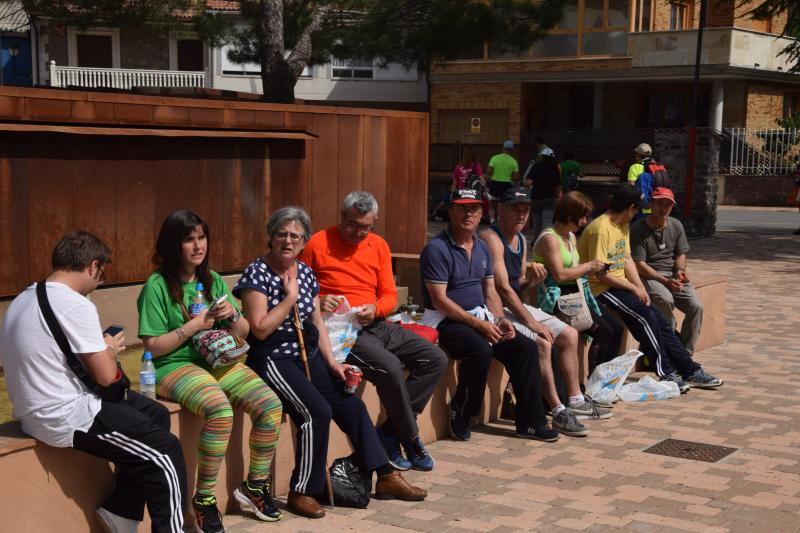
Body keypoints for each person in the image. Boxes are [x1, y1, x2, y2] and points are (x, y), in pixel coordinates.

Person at [235, 207, 427, 519]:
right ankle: (303, 490)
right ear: (270, 238)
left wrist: (333, 363)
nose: (287, 240)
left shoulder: (306, 273)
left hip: (307, 354)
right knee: (316, 411)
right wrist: (289, 298)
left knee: (350, 404)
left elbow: (317, 323)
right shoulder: (256, 274)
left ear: (303, 242)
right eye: (281, 234)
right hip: (273, 358)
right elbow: (259, 328)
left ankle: (385, 474)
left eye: (295, 236)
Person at [0, 231, 186, 533]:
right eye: (102, 274)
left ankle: (122, 512)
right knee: (166, 452)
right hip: (65, 415)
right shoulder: (76, 304)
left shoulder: (24, 297)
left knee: (156, 414)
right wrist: (110, 350)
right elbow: (105, 376)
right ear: (93, 266)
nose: (100, 281)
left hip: (33, 412)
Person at [137, 209, 283, 533]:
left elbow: (243, 332)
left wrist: (232, 314)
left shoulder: (212, 279)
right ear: (172, 244)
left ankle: (255, 486)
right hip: (173, 366)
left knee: (270, 405)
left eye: (201, 238)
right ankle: (204, 500)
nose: (197, 245)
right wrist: (193, 326)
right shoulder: (157, 286)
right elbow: (151, 346)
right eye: (189, 239)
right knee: (219, 409)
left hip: (219, 362)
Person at [300, 192, 447, 472]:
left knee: (435, 358)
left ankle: (391, 433)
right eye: (353, 225)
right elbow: (300, 292)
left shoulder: (378, 245)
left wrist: (376, 307)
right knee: (390, 367)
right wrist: (318, 301)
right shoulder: (317, 244)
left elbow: (390, 294)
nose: (358, 233)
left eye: (366, 227)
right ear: (341, 217)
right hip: (343, 331)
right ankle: (411, 438)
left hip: (377, 322)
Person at [419, 189, 560, 443]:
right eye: (461, 208)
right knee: (480, 350)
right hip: (445, 320)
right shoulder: (436, 249)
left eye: (473, 208)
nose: (468, 213)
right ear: (450, 211)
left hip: (480, 316)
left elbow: (490, 291)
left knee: (525, 348)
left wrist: (499, 319)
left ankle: (531, 422)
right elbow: (440, 300)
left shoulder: (482, 248)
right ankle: (462, 411)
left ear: (482, 213)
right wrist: (479, 325)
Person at [480, 189, 612, 438]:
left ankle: (575, 399)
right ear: (501, 210)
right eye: (515, 209)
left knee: (570, 335)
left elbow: (518, 286)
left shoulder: (519, 239)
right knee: (541, 341)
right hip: (492, 309)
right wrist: (533, 322)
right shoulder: (491, 238)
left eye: (525, 210)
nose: (521, 215)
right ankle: (558, 409)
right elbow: (502, 288)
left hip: (514, 305)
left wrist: (531, 280)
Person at [577, 185, 723, 392]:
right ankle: (666, 372)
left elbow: (627, 259)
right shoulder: (601, 228)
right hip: (600, 288)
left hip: (619, 285)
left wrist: (639, 287)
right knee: (645, 319)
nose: (636, 213)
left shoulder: (622, 224)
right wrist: (632, 287)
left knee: (660, 321)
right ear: (629, 207)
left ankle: (690, 370)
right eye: (636, 209)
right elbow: (600, 273)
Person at [533, 191, 625, 375]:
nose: (584, 222)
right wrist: (589, 266)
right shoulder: (550, 238)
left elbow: (574, 269)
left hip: (576, 293)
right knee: (604, 331)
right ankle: (594, 381)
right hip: (558, 297)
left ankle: (606, 380)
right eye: (582, 217)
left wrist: (591, 267)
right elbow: (559, 275)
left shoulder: (570, 237)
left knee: (617, 327)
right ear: (569, 215)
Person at [631, 187, 703, 355]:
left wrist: (680, 270)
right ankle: (668, 350)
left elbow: (681, 254)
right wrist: (665, 282)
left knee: (696, 307)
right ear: (651, 203)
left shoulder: (676, 225)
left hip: (672, 274)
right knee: (665, 299)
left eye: (668, 205)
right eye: (659, 203)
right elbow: (639, 264)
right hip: (649, 276)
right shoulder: (638, 229)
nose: (663, 208)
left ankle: (685, 352)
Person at [429, 148, 484, 221]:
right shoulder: (476, 166)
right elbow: (481, 179)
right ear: (473, 156)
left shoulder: (458, 167)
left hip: (460, 191)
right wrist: (485, 187)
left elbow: (455, 182)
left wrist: (452, 193)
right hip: (471, 192)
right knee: (470, 208)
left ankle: (458, 220)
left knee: (460, 207)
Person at [526, 151, 563, 240]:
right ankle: (546, 241)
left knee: (537, 223)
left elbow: (528, 182)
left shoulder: (536, 167)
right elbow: (558, 186)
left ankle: (536, 241)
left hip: (536, 198)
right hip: (550, 199)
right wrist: (558, 196)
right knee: (547, 222)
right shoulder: (555, 169)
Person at [486, 140, 520, 222]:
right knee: (504, 204)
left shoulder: (494, 158)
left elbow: (488, 171)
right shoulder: (513, 161)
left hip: (495, 183)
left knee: (492, 204)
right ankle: (500, 220)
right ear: (512, 149)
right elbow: (515, 177)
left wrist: (495, 174)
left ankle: (492, 220)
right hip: (506, 185)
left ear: (503, 147)